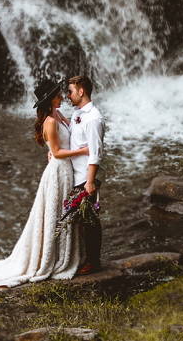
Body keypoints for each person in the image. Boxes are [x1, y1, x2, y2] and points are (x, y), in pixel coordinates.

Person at [0, 79, 89, 286]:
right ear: (50, 99)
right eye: (58, 95)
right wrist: (83, 151)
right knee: (56, 212)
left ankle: (65, 253)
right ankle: (51, 258)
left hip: (66, 170)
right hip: (59, 172)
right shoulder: (49, 121)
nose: (62, 97)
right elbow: (58, 152)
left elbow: (59, 143)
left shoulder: (56, 115)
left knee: (62, 211)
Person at [66, 73, 105, 275]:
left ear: (81, 91)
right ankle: (84, 258)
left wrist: (90, 182)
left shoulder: (93, 118)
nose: (67, 95)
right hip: (77, 174)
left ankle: (93, 262)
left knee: (89, 219)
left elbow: (95, 152)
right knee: (81, 218)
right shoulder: (77, 113)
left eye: (70, 91)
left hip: (86, 177)